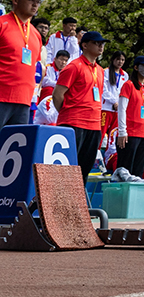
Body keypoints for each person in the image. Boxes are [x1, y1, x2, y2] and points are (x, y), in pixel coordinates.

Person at [53, 31, 108, 184]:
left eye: (102, 43)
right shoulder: (73, 66)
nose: (101, 46)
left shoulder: (100, 70)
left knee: (84, 170)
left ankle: (77, 203)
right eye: (97, 43)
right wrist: (67, 114)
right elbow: (57, 95)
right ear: (84, 45)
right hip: (74, 123)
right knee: (67, 168)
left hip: (94, 125)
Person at [1, 0, 50, 128]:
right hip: (2, 95)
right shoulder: (2, 24)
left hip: (24, 100)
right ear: (15, 0)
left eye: (38, 1)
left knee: (14, 148)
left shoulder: (35, 34)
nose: (35, 4)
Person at [116, 56, 144, 178]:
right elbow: (122, 109)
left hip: (143, 134)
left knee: (138, 172)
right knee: (125, 171)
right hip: (130, 133)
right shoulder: (128, 85)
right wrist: (122, 132)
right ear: (136, 67)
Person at [100, 51, 128, 138]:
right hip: (106, 108)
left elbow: (124, 92)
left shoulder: (125, 75)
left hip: (118, 110)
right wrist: (114, 102)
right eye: (118, 59)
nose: (120, 62)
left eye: (123, 60)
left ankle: (112, 152)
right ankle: (96, 150)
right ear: (113, 59)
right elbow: (103, 90)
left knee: (114, 134)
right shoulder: (105, 72)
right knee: (101, 132)